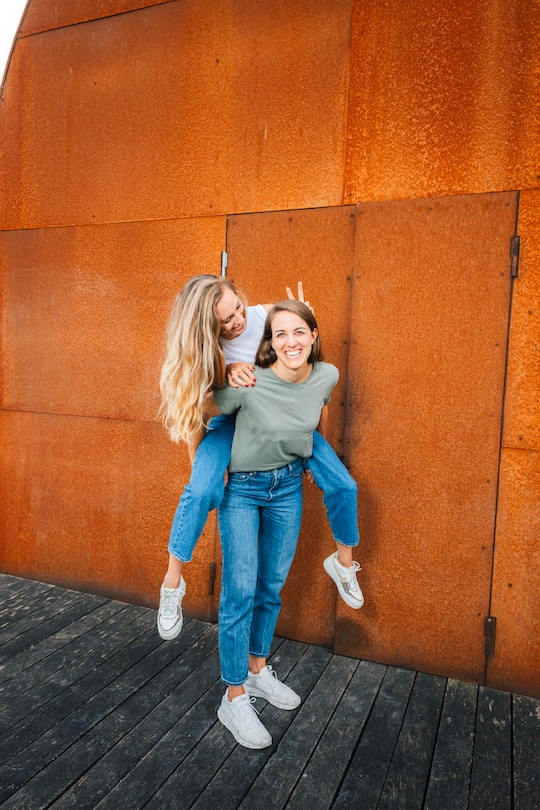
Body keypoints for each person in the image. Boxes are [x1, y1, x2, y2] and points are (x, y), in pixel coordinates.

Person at [157, 275, 363, 641]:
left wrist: (303, 320)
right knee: (202, 491)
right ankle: (172, 582)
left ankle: (343, 563)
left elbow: (298, 345)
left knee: (344, 483)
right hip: (229, 423)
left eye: (237, 307)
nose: (237, 320)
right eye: (226, 320)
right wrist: (201, 468)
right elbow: (194, 416)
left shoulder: (261, 315)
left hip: (281, 421)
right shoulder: (204, 350)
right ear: (207, 326)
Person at [213, 300, 339, 747]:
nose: (290, 342)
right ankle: (233, 696)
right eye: (279, 334)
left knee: (271, 586)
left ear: (313, 336)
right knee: (240, 592)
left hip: (287, 487)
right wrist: (203, 464)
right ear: (269, 343)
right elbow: (204, 406)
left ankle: (258, 670)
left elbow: (319, 410)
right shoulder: (249, 382)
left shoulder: (325, 376)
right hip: (242, 491)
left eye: (298, 332)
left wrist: (308, 449)